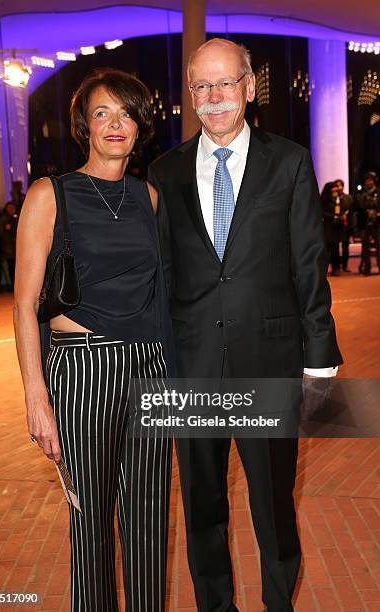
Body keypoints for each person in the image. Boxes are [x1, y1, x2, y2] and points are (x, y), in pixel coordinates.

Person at [148, 38, 342, 612]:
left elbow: (309, 263)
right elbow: (161, 274)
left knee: (274, 505)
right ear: (190, 94)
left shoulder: (290, 161)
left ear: (249, 88)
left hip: (271, 365)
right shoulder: (165, 170)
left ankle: (278, 603)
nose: (212, 98)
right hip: (194, 368)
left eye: (224, 84)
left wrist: (319, 362)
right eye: (200, 87)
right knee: (203, 506)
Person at [14, 68, 174, 612]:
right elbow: (23, 303)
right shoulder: (49, 193)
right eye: (102, 112)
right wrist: (37, 396)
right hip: (82, 369)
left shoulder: (147, 197)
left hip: (149, 368)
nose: (115, 124)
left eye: (126, 113)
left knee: (150, 516)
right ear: (84, 124)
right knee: (90, 523)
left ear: (139, 126)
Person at [321, 181, 348, 276]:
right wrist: (334, 217)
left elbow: (344, 208)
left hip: (337, 228)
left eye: (336, 187)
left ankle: (336, 268)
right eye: (333, 187)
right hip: (328, 227)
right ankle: (323, 269)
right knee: (327, 250)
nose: (336, 189)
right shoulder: (324, 200)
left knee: (336, 249)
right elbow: (322, 212)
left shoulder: (338, 199)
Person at [356, 171, 380, 275]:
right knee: (365, 247)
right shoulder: (361, 193)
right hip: (364, 223)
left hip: (377, 223)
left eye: (370, 180)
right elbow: (359, 206)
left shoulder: (378, 192)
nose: (369, 182)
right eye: (367, 180)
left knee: (379, 246)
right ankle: (366, 268)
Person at [0, 201, 19, 290]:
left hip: (18, 247)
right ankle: (13, 286)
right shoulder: (3, 219)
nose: (11, 209)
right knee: (11, 267)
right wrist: (5, 229)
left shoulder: (18, 217)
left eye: (13, 207)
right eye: (9, 208)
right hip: (8, 247)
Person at [333, 178, 354, 272]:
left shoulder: (348, 197)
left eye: (341, 185)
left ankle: (345, 266)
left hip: (346, 226)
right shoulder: (333, 198)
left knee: (346, 247)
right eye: (337, 185)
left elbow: (352, 212)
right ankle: (336, 267)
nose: (339, 187)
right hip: (336, 226)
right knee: (335, 248)